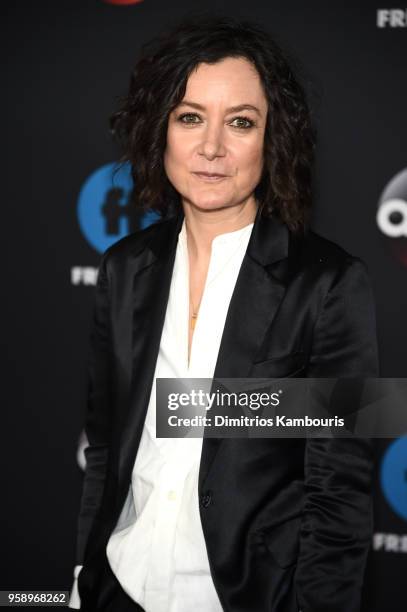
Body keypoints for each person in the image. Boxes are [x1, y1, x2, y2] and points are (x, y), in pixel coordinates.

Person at [68, 14, 379, 612]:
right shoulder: (124, 268)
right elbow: (105, 450)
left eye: (240, 122)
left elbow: (338, 492)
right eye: (190, 118)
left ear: (273, 138)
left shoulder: (330, 283)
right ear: (161, 131)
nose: (211, 148)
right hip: (119, 585)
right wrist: (84, 571)